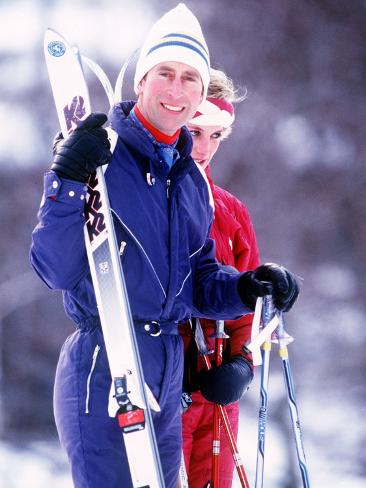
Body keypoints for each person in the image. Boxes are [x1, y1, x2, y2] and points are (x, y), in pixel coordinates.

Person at [30, 4, 299, 488]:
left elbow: (199, 281)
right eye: (164, 74)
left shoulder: (189, 181)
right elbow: (54, 268)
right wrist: (67, 179)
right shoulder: (101, 154)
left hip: (166, 369)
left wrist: (248, 286)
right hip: (105, 356)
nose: (177, 90)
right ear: (141, 82)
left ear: (201, 92)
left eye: (189, 79)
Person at [181, 69, 260, 487]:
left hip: (216, 398)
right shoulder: (149, 197)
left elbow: (250, 310)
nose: (204, 148)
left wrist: (243, 365)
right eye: (194, 132)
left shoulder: (231, 210)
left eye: (216, 136)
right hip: (165, 389)